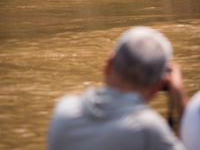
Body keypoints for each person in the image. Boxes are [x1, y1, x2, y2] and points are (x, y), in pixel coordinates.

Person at [48, 26, 186, 150]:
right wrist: (181, 105)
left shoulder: (63, 111)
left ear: (108, 65)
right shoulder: (148, 129)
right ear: (158, 86)